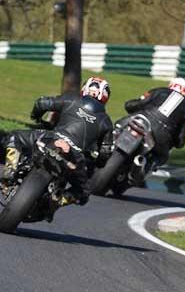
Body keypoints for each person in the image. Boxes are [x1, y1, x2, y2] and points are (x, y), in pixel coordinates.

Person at [3, 77, 113, 205]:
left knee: (14, 137)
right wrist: (99, 162)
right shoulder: (106, 122)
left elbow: (42, 103)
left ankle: (10, 170)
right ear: (105, 97)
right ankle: (58, 201)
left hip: (52, 137)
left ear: (85, 89)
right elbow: (106, 152)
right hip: (75, 157)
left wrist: (36, 117)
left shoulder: (71, 99)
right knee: (83, 192)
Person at [121, 77, 185, 174]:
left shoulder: (159, 91)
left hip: (142, 120)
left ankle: (107, 145)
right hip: (162, 136)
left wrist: (129, 105)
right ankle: (143, 171)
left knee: (119, 125)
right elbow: (180, 140)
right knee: (162, 157)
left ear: (171, 85)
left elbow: (137, 104)